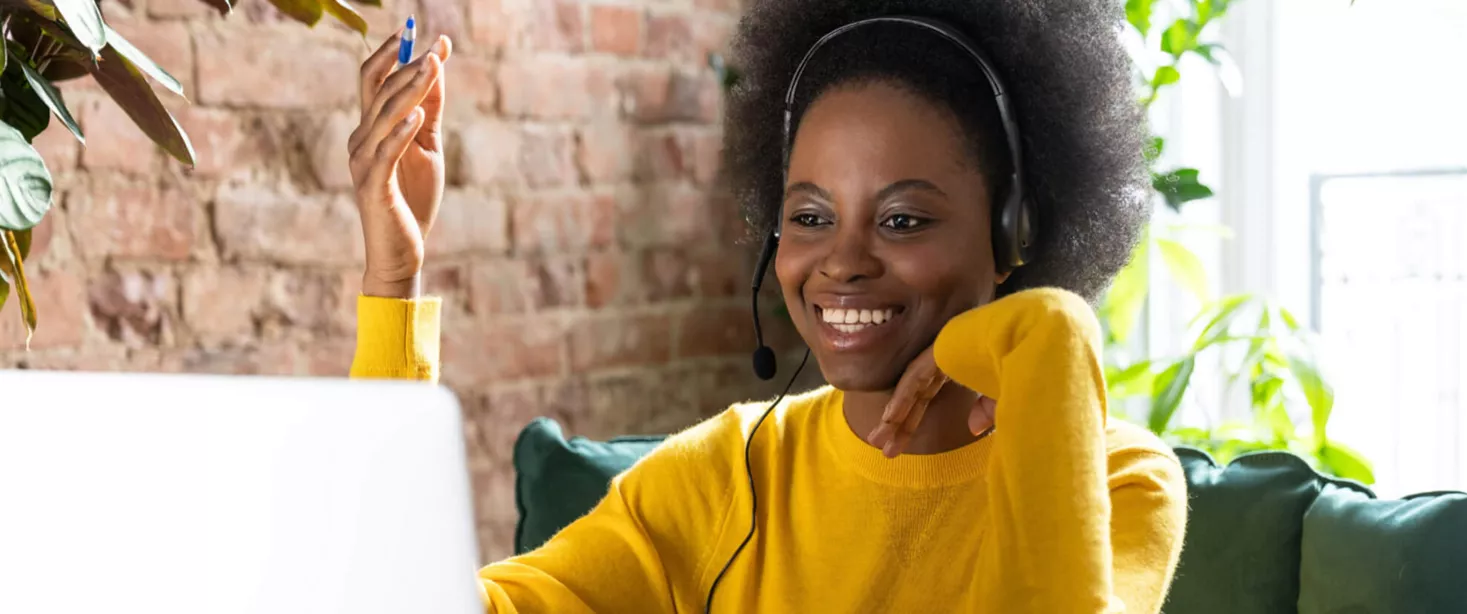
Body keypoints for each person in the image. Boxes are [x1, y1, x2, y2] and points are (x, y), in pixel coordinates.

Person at [345, 0, 1187, 611]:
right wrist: (394, 277)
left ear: (1015, 231)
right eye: (810, 217)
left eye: (902, 219)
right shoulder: (729, 473)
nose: (843, 263)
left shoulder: (1122, 482)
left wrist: (1049, 332)